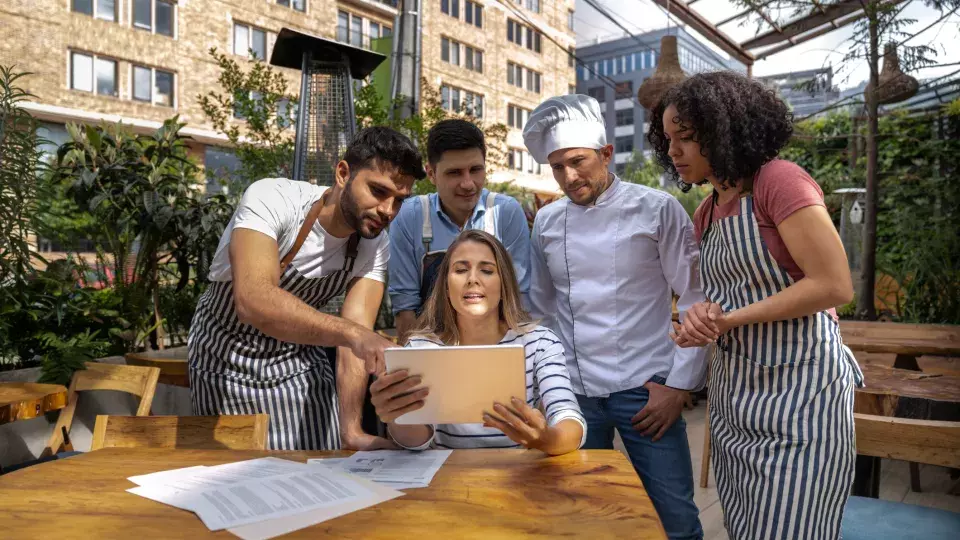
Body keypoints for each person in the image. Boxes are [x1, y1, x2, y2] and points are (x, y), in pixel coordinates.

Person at [648, 71, 864, 540]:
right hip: (736, 401)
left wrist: (727, 319)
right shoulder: (706, 211)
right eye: (667, 140)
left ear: (724, 130)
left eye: (685, 138)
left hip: (802, 395)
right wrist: (701, 317)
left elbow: (833, 284)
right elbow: (720, 297)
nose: (673, 152)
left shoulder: (779, 182)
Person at [522, 94, 708, 539]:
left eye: (578, 161)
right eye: (557, 167)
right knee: (587, 519)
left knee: (675, 520)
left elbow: (696, 298)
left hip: (645, 392)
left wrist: (677, 387)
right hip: (575, 394)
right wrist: (547, 387)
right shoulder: (546, 223)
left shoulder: (657, 209)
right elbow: (541, 308)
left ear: (606, 154)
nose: (569, 176)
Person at [188, 126, 425, 451]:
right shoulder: (273, 199)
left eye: (399, 200)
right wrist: (353, 334)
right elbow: (253, 298)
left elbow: (354, 343)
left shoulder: (373, 244)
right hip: (225, 361)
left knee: (321, 468)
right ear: (343, 173)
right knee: (240, 479)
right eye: (378, 191)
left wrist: (352, 430)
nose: (388, 211)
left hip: (297, 360)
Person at [370, 230, 585, 454]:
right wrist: (398, 416)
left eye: (487, 270)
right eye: (461, 270)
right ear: (445, 285)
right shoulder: (421, 348)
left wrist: (546, 439)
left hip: (521, 477)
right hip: (445, 479)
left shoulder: (540, 343)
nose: (473, 279)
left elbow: (568, 418)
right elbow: (417, 441)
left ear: (504, 284)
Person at [388, 119, 531, 344]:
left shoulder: (505, 212)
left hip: (497, 347)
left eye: (475, 170)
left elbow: (518, 300)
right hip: (430, 346)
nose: (468, 184)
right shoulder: (409, 216)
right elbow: (405, 309)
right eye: (454, 173)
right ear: (431, 173)